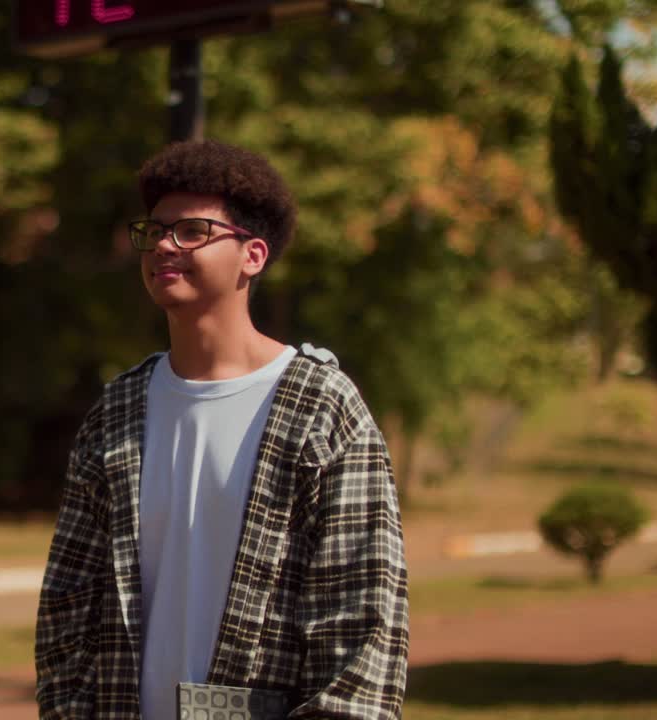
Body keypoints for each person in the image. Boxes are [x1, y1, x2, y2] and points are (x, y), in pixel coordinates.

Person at [35, 140, 409, 719]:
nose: (164, 244)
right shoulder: (118, 410)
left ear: (252, 255)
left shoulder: (322, 407)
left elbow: (360, 624)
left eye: (191, 231)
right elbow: (68, 602)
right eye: (155, 230)